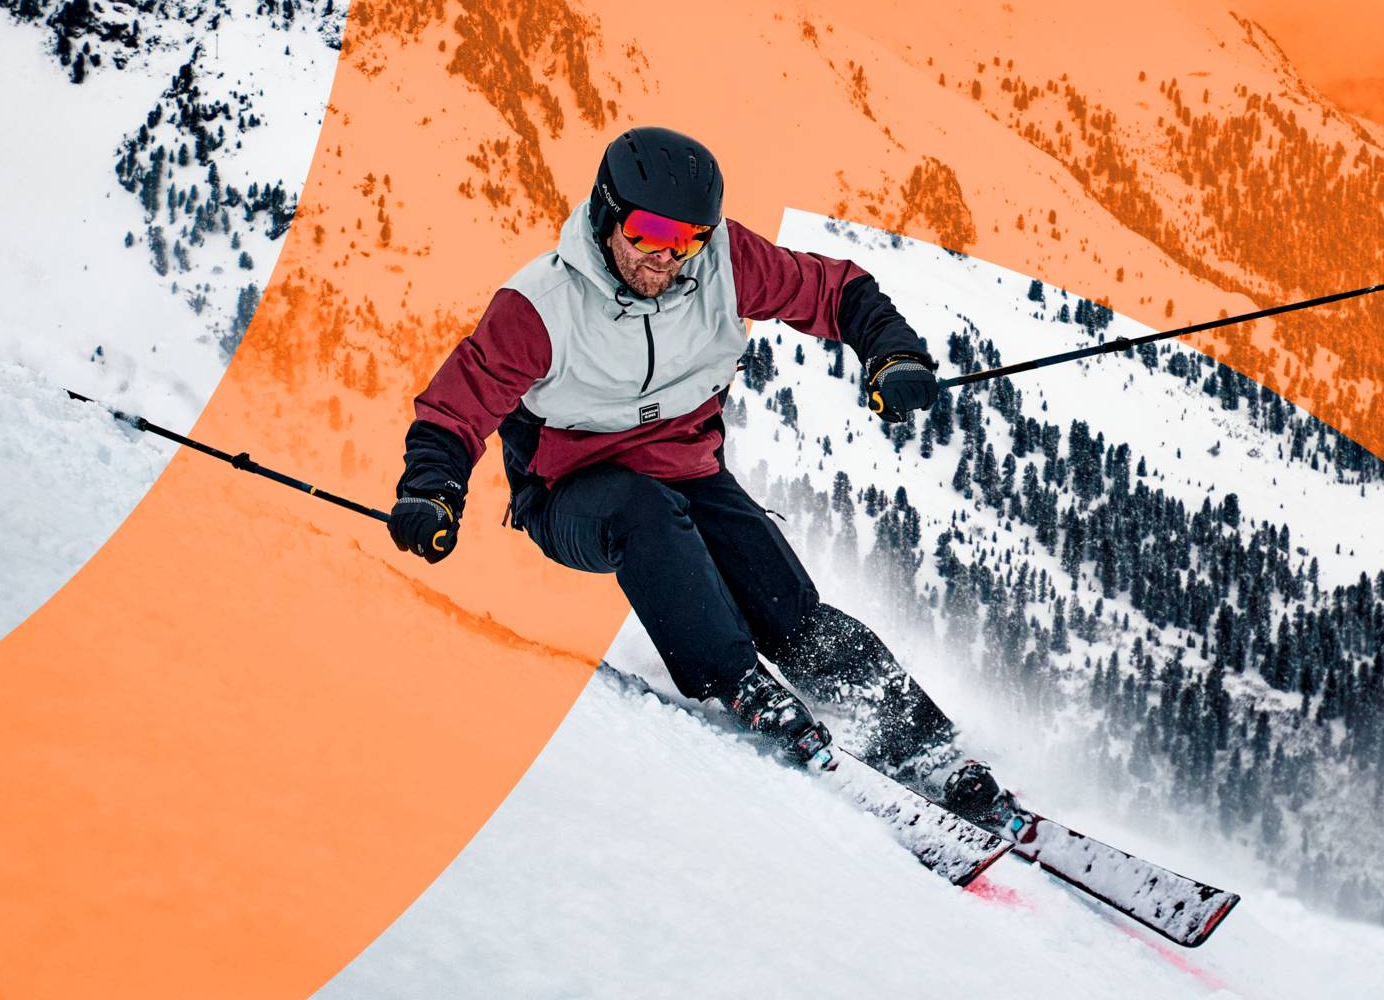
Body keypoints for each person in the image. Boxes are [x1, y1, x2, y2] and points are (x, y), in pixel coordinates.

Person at [384, 124, 1014, 824]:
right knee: (643, 513)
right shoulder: (540, 306)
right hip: (572, 491)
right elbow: (456, 406)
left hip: (688, 468)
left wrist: (891, 353)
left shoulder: (723, 263)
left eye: (687, 237)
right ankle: (738, 681)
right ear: (605, 214)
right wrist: (430, 490)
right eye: (650, 232)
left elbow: (839, 293)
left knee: (789, 613)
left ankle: (926, 751)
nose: (667, 258)